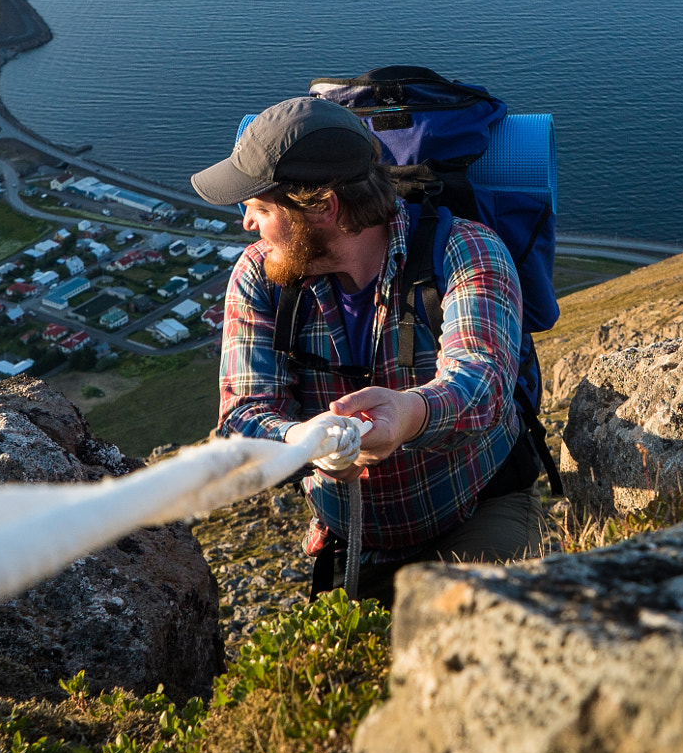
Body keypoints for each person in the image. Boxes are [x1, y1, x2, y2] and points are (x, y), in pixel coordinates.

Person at [194, 96, 542, 604]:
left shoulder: (465, 251)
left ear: (323, 208)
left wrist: (409, 414)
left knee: (475, 641)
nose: (247, 224)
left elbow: (482, 382)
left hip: (476, 512)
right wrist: (300, 439)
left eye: (262, 208)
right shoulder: (259, 276)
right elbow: (242, 416)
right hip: (357, 542)